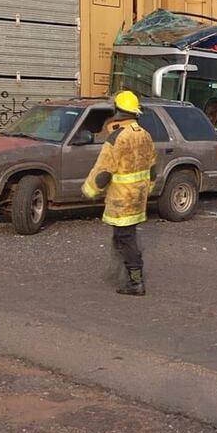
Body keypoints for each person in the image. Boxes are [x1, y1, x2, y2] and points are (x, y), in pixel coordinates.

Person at [82, 91, 156, 296]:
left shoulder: (117, 137)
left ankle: (135, 282)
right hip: (138, 196)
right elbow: (153, 167)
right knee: (123, 236)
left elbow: (103, 171)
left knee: (126, 237)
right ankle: (125, 273)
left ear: (117, 111)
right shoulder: (145, 134)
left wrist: (89, 190)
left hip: (122, 198)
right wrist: (149, 188)